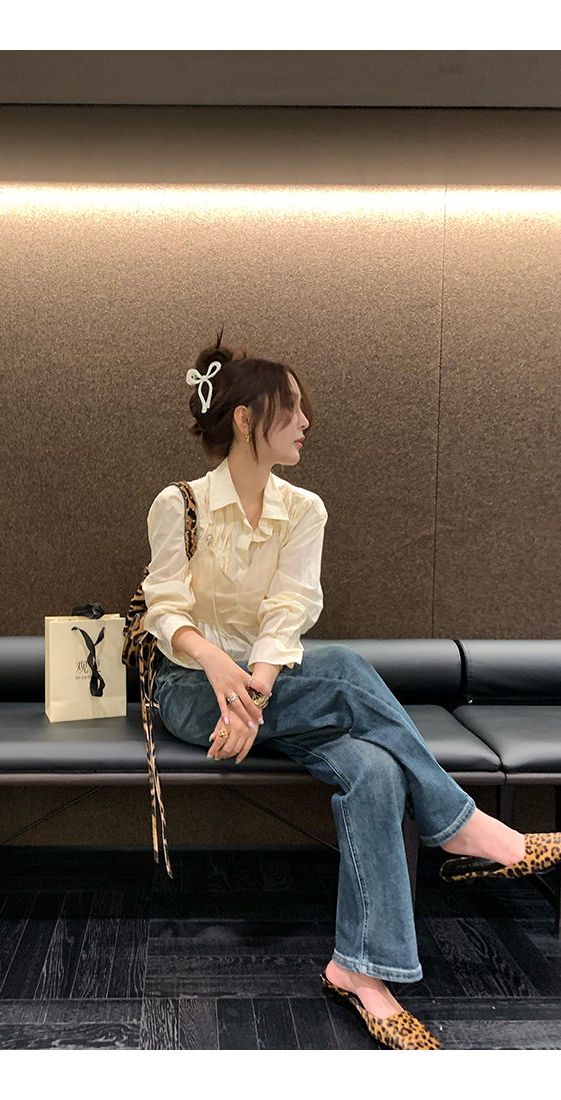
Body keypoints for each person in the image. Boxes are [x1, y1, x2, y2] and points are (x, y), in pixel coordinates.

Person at [140, 333, 561, 1051]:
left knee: (375, 768)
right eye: (292, 407)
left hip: (270, 691)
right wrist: (217, 669)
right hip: (189, 689)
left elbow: (290, 610)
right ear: (244, 418)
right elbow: (164, 609)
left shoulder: (304, 509)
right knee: (344, 667)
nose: (306, 421)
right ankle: (461, 826)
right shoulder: (179, 504)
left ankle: (360, 972)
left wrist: (255, 693)